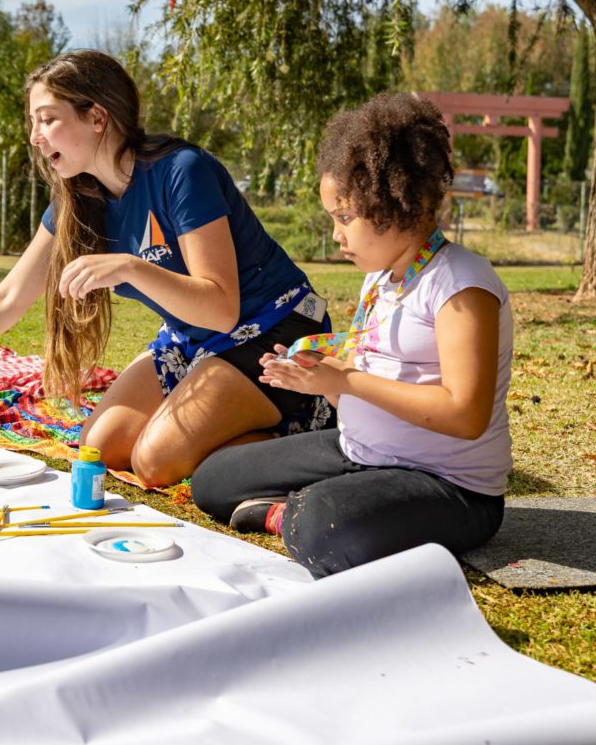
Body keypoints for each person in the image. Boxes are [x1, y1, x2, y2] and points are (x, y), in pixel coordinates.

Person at [0, 50, 331, 487]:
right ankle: (217, 415)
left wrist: (130, 267)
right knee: (98, 449)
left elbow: (222, 307)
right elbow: (7, 301)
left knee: (155, 461)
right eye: (32, 122)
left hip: (273, 330)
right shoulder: (75, 201)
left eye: (47, 120)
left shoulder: (181, 171)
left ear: (98, 117)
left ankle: (301, 431)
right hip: (194, 340)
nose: (34, 136)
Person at [191, 93, 513, 578]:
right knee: (212, 479)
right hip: (360, 456)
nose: (337, 235)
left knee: (326, 524)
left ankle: (298, 512)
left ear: (394, 206)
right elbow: (364, 386)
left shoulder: (459, 285)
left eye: (344, 217)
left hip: (450, 488)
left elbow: (465, 415)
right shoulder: (380, 279)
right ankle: (306, 509)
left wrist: (346, 383)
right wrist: (320, 381)